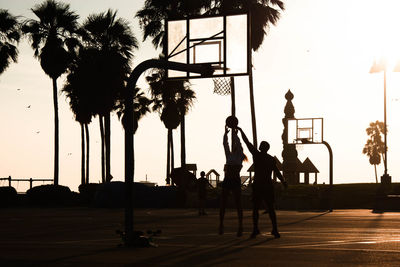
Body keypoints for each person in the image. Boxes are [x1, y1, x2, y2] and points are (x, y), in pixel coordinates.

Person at [237, 126, 288, 238]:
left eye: (260, 145)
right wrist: (283, 182)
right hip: (268, 185)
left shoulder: (257, 155)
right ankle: (275, 229)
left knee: (255, 208)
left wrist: (241, 130)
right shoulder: (271, 159)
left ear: (262, 147)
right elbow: (277, 172)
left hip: (259, 185)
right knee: (271, 208)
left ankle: (256, 229)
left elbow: (247, 142)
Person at [220, 126, 247, 237]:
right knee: (223, 203)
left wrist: (235, 134)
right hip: (228, 179)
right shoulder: (229, 156)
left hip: (234, 179)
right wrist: (226, 134)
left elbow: (240, 144)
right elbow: (225, 145)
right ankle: (221, 224)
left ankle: (240, 226)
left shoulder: (239, 156)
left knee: (238, 203)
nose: (234, 146)